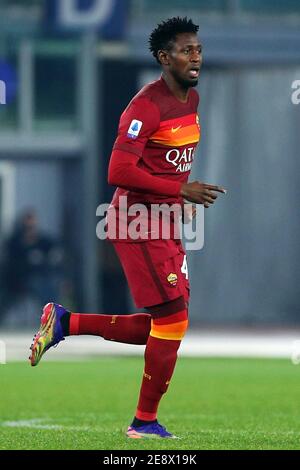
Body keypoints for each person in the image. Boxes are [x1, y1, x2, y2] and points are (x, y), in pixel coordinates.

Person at [29, 17, 226, 439]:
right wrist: (180, 189)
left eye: (198, 50)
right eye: (186, 50)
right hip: (136, 221)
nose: (196, 58)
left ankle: (64, 323)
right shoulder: (145, 106)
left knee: (165, 324)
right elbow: (118, 169)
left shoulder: (190, 100)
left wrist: (177, 198)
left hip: (165, 217)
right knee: (172, 322)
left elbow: (169, 159)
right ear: (163, 57)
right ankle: (143, 421)